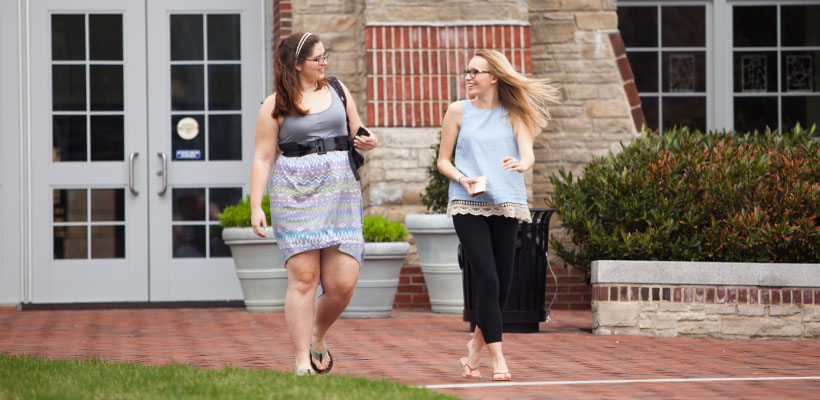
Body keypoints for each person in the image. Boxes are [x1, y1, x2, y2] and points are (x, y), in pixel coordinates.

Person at [249, 32, 377, 376]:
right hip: (295, 194)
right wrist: (256, 206)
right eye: (318, 59)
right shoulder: (274, 104)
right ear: (297, 64)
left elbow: (357, 128)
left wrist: (367, 139)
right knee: (304, 279)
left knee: (343, 282)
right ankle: (301, 361)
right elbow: (263, 157)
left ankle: (317, 335)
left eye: (325, 57)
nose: (324, 63)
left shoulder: (337, 89)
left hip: (340, 194)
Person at [437, 49, 558, 381]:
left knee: (502, 283)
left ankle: (473, 350)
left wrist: (523, 163)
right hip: (468, 203)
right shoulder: (458, 111)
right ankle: (498, 359)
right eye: (467, 71)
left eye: (476, 72)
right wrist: (462, 178)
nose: (469, 76)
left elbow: (528, 154)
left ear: (494, 77)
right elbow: (443, 160)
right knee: (487, 278)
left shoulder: (515, 113)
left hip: (506, 202)